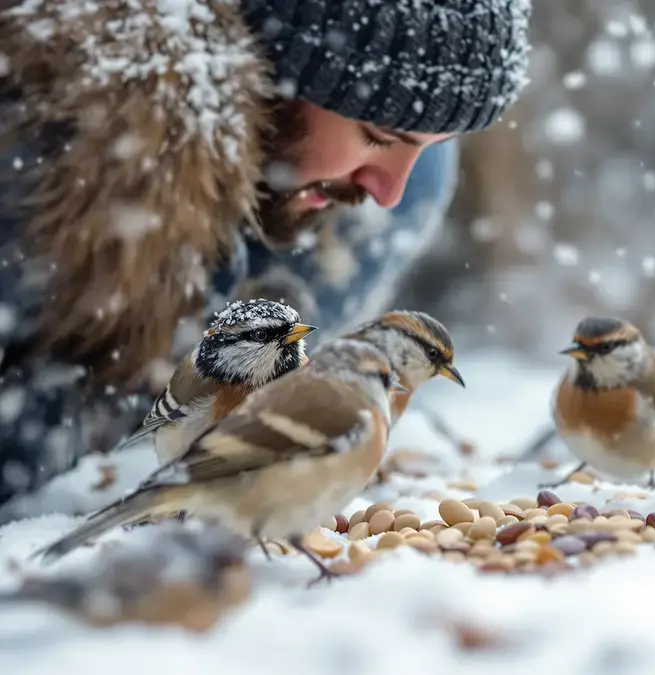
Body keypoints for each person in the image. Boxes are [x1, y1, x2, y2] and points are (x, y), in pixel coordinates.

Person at [0, 0, 532, 514]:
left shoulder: (372, 200)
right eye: (377, 137)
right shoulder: (57, 144)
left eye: (431, 145)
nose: (390, 189)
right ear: (283, 57)